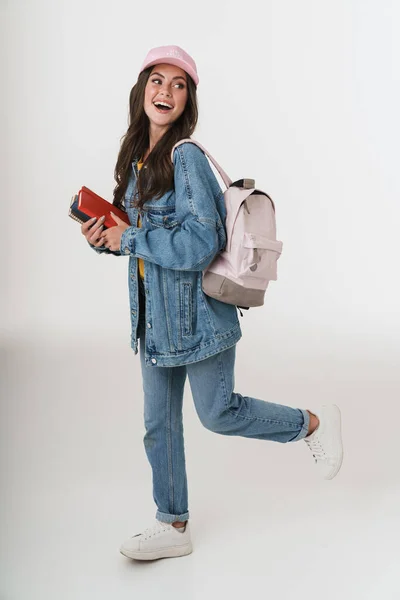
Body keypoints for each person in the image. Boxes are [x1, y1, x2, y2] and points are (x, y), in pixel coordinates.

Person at [81, 44, 344, 561]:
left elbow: (202, 243)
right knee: (158, 426)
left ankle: (312, 423)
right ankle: (173, 524)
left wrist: (130, 238)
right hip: (156, 323)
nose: (166, 92)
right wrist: (105, 238)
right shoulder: (136, 164)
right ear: (142, 91)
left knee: (218, 414)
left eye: (179, 86)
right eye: (158, 81)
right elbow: (145, 245)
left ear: (188, 101)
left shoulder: (187, 158)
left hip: (199, 320)